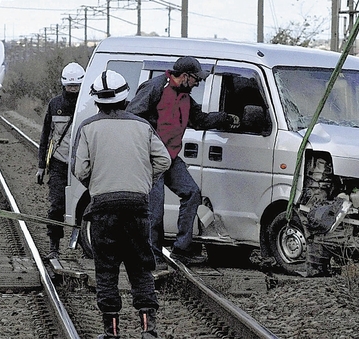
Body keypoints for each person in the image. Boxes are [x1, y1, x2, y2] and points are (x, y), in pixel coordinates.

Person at [72, 70, 170, 339]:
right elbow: (164, 161)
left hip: (103, 208)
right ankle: (148, 330)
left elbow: (80, 169)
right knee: (140, 268)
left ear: (97, 101)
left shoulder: (88, 128)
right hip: (138, 206)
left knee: (106, 269)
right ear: (126, 98)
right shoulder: (142, 126)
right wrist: (143, 181)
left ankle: (112, 332)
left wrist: (99, 184)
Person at [126, 56, 239, 266]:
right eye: (196, 79)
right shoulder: (155, 88)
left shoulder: (186, 97)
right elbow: (132, 117)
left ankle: (181, 249)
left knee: (192, 193)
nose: (197, 83)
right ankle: (152, 257)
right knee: (155, 208)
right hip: (150, 158)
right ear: (185, 76)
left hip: (170, 157)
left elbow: (200, 120)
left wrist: (226, 118)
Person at [35, 62, 84, 260]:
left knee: (85, 206)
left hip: (83, 165)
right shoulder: (55, 104)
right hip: (58, 163)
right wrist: (41, 166)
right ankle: (53, 246)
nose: (73, 89)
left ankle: (84, 244)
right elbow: (45, 135)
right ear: (63, 84)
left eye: (76, 86)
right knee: (56, 206)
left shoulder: (88, 104)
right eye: (70, 86)